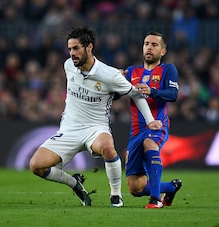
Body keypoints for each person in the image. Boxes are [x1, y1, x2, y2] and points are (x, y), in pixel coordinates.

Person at [29, 26, 161, 207]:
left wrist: (150, 120)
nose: (71, 53)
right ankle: (75, 183)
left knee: (108, 147)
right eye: (69, 49)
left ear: (89, 47)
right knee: (36, 165)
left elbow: (136, 94)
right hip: (69, 129)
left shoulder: (110, 75)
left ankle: (116, 196)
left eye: (76, 48)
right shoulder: (68, 65)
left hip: (96, 128)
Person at [124, 31, 182, 208]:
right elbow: (117, 95)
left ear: (163, 51)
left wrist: (152, 91)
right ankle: (171, 187)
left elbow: (173, 94)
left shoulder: (168, 69)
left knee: (150, 143)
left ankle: (156, 200)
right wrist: (113, 78)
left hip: (157, 124)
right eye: (146, 44)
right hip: (135, 130)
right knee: (135, 187)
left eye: (154, 45)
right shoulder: (132, 72)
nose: (149, 47)